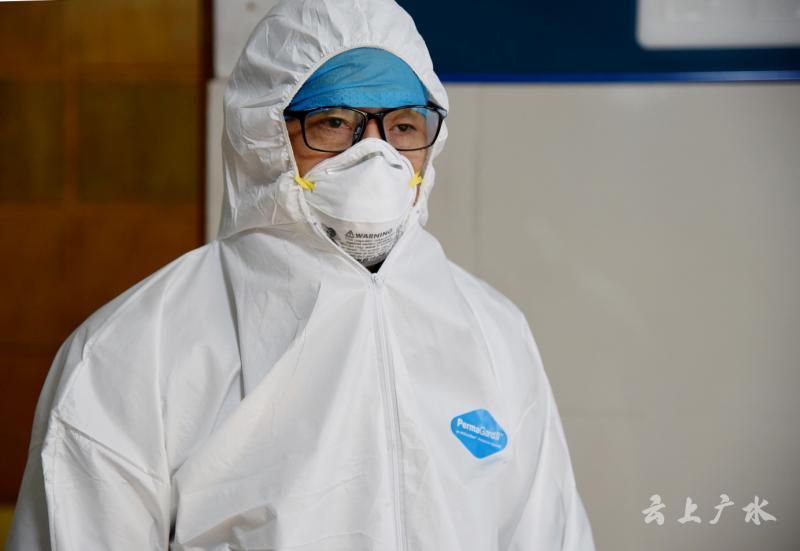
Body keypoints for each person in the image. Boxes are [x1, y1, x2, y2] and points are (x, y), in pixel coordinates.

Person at [8, 0, 596, 549]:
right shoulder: (134, 350)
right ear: (262, 137)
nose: (375, 154)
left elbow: (549, 532)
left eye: (403, 126)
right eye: (334, 122)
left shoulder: (492, 330)